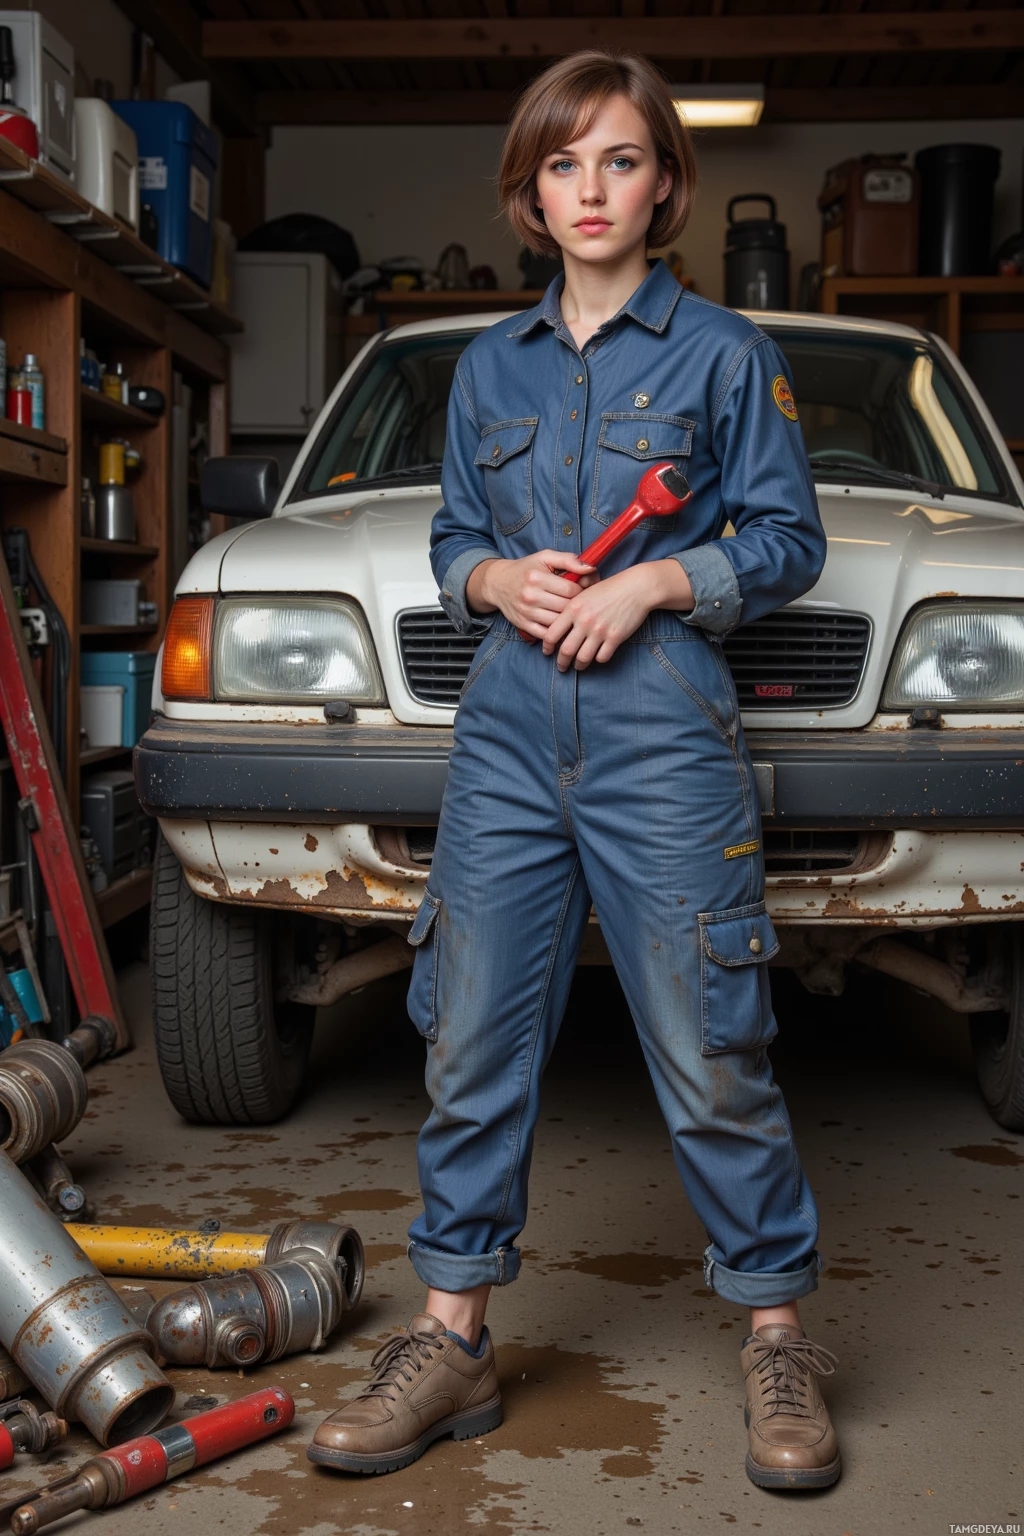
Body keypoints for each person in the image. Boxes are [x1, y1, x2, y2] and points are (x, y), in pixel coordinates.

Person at [309, 48, 841, 1492]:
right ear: (529, 193)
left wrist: (662, 581)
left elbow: (790, 543)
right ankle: (454, 1335)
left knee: (710, 1046)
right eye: (563, 163)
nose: (590, 189)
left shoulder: (728, 357)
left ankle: (779, 1336)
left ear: (665, 182)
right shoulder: (491, 365)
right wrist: (491, 582)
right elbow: (449, 535)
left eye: (618, 159)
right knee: (470, 1034)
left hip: (663, 729)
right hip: (506, 736)